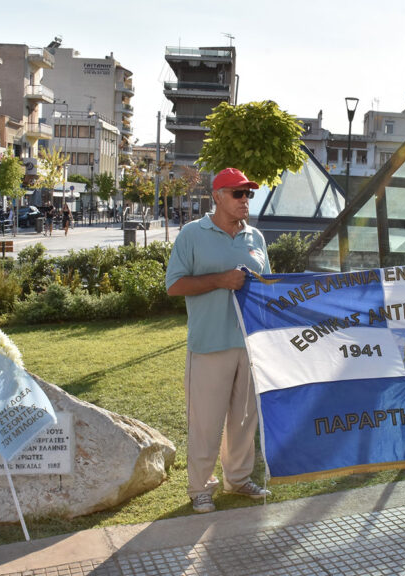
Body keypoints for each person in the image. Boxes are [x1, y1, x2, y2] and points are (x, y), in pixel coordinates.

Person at [165, 167, 272, 514]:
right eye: (238, 194)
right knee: (206, 422)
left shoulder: (255, 237)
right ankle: (200, 488)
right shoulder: (192, 235)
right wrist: (221, 280)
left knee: (243, 421)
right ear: (217, 196)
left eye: (248, 194)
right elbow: (174, 285)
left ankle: (238, 479)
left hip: (249, 345)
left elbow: (267, 287)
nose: (245, 200)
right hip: (210, 343)